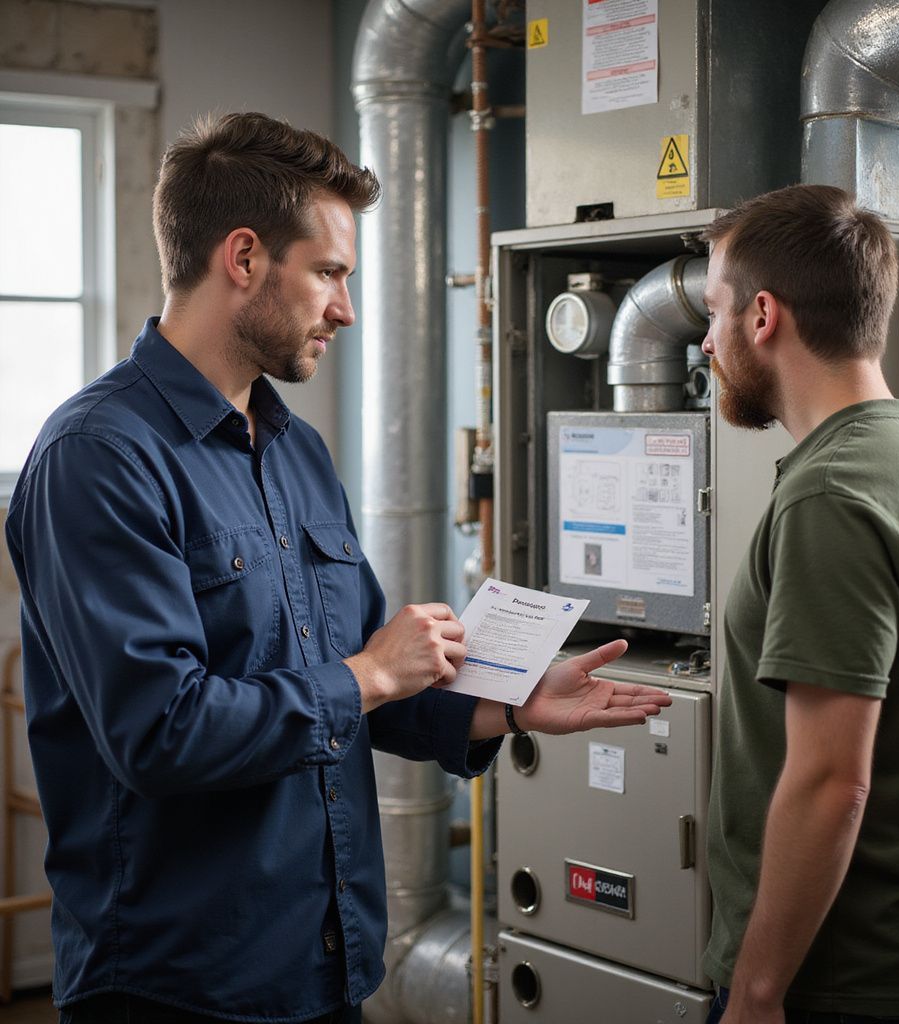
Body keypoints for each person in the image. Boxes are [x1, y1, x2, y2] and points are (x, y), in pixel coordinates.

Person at [3, 112, 671, 1024]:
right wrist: (367, 672)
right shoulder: (99, 457)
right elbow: (159, 731)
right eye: (329, 273)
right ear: (243, 258)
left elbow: (363, 672)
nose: (346, 309)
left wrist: (503, 703)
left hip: (324, 960)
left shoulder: (294, 449)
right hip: (179, 983)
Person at [699, 184, 899, 1023]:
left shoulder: (834, 493)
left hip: (835, 981)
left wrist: (757, 994)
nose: (703, 342)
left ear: (763, 316)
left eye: (714, 312)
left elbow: (834, 780)